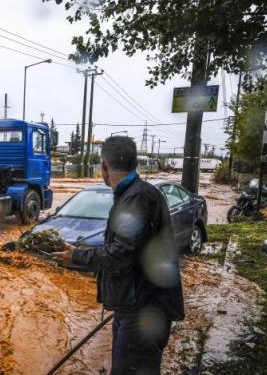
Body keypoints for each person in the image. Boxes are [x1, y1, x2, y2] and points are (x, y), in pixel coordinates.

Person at [50, 136, 184, 375]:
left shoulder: (136, 198)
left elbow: (120, 254)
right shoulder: (135, 194)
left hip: (142, 312)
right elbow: (127, 253)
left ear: (104, 166)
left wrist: (78, 257)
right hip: (136, 308)